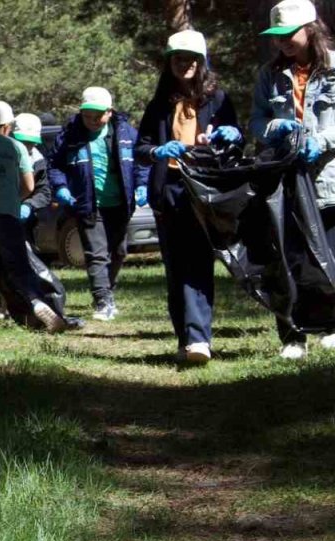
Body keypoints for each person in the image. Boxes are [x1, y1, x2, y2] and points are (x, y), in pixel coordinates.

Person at [138, 30, 240, 364]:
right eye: (179, 59)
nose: (185, 65)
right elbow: (141, 148)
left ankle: (199, 339)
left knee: (198, 262)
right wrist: (157, 150)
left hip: (204, 188)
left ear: (202, 62)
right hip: (169, 188)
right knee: (175, 268)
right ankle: (184, 338)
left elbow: (233, 144)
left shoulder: (218, 99)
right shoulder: (158, 105)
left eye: (191, 59)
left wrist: (231, 135)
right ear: (170, 63)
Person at [251, 0, 335, 358]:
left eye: (289, 34)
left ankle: (330, 327)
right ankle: (292, 336)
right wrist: (273, 127)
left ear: (311, 30)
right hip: (285, 181)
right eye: (277, 36)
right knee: (287, 261)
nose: (282, 42)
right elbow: (256, 119)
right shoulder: (269, 74)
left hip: (329, 178)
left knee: (330, 259)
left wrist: (324, 140)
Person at [48, 86, 151, 321]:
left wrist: (142, 184)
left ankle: (108, 294)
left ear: (109, 112)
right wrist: (61, 187)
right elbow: (54, 165)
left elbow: (142, 161)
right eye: (87, 116)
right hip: (88, 203)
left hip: (120, 203)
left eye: (98, 116)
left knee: (118, 251)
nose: (93, 121)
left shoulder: (125, 132)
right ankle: (102, 300)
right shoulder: (70, 135)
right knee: (96, 254)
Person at [0, 101, 69, 332]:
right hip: (7, 214)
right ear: (8, 125)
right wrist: (15, 200)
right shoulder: (15, 148)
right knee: (18, 266)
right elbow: (29, 184)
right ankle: (35, 301)